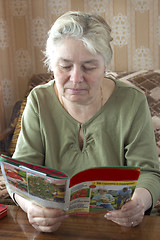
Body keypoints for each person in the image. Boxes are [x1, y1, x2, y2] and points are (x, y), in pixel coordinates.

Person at [7, 11, 160, 232]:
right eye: (65, 66)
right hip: (56, 229)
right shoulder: (39, 100)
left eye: (89, 67)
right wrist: (32, 208)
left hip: (117, 228)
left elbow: (149, 172)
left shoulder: (132, 101)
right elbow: (21, 172)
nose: (76, 78)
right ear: (52, 65)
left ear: (105, 66)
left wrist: (139, 203)